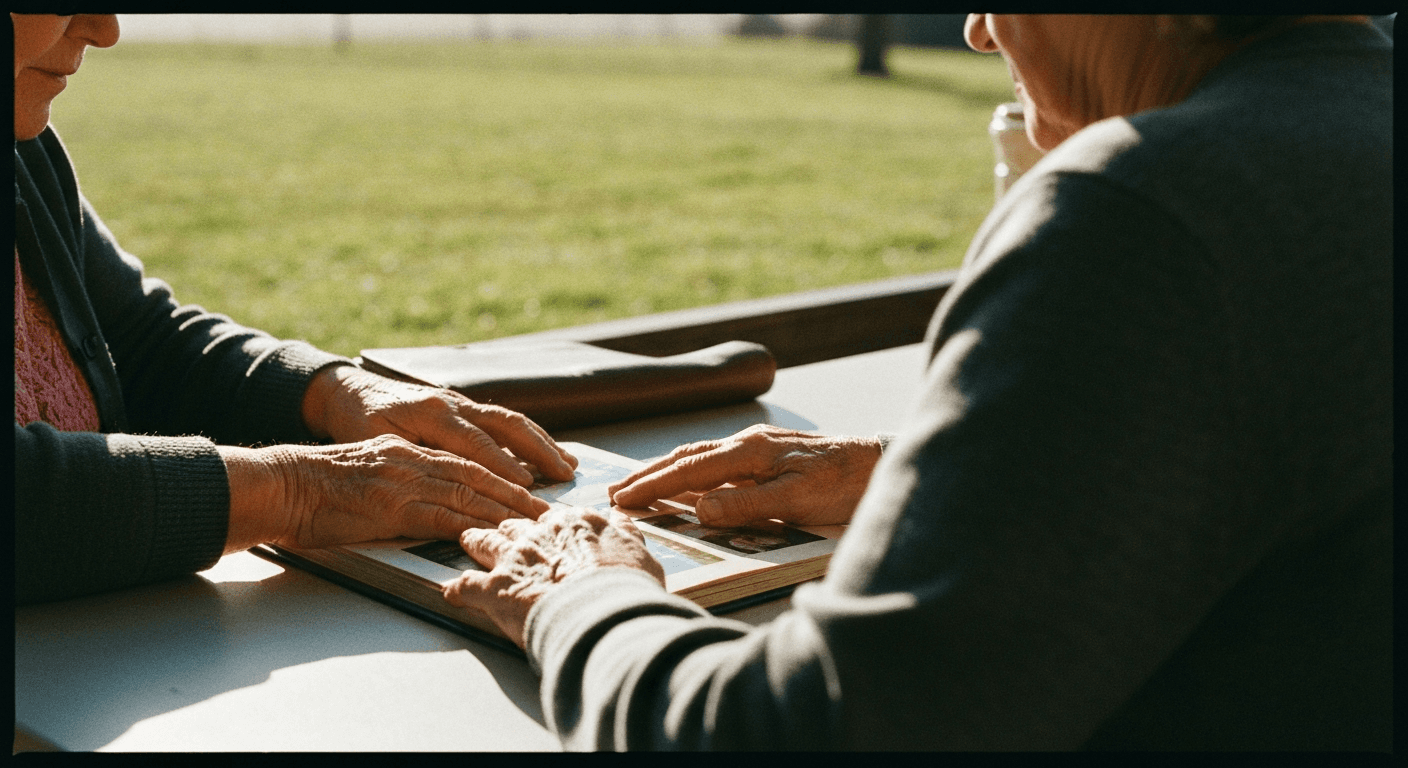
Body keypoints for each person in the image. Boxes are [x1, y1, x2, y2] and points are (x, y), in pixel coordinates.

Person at [441, 15, 1392, 750]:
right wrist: (956, 473)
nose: (979, 29)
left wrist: (586, 596)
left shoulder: (1143, 210)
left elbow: (803, 737)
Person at [14, 13, 579, 606]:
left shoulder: (26, 152)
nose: (104, 29)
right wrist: (294, 492)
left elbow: (140, 341)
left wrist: (332, 394)